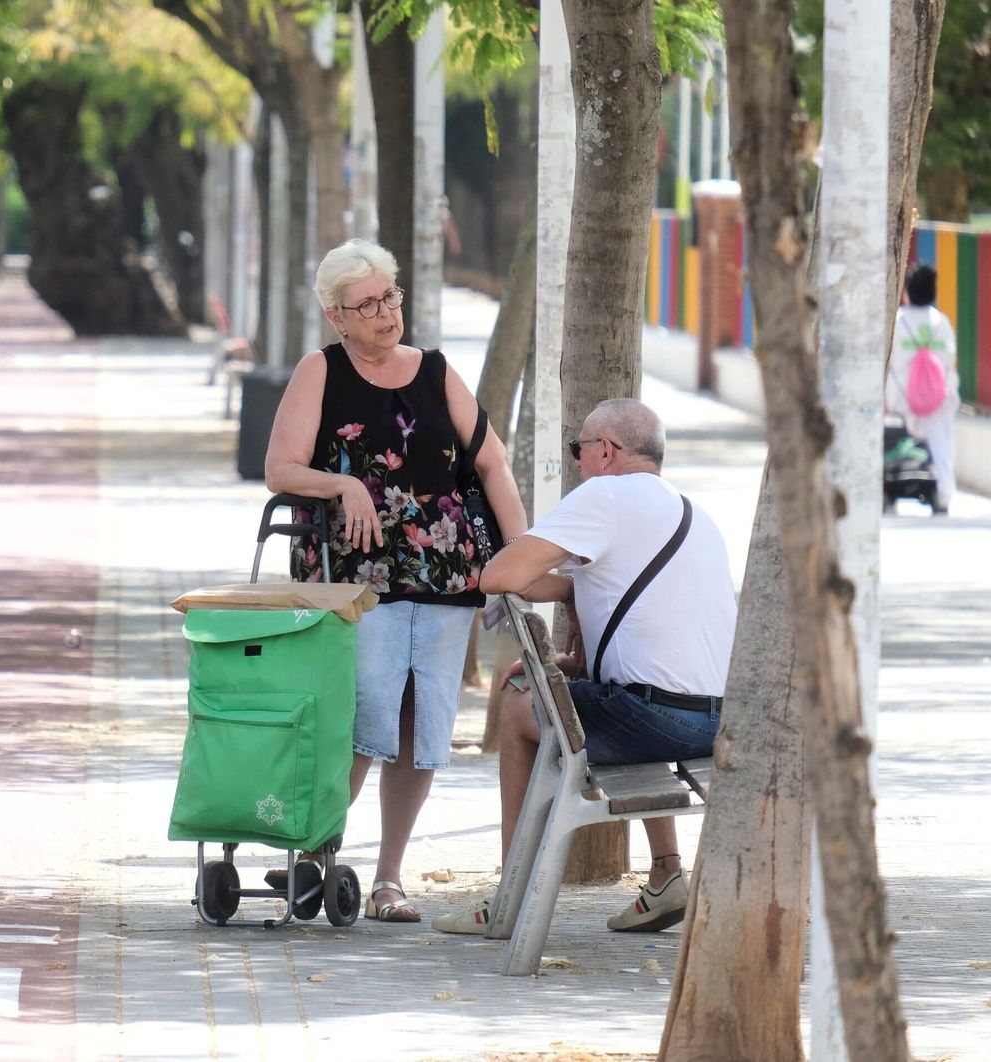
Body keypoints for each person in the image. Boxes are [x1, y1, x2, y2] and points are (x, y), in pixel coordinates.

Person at [264, 238, 527, 922]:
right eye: (368, 305)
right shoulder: (320, 372)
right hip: (357, 578)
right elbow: (281, 469)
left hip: (445, 575)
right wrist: (342, 482)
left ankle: (387, 877)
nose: (385, 314)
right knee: (362, 715)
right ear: (337, 316)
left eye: (391, 297)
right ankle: (315, 850)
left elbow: (492, 466)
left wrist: (520, 554)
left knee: (421, 725)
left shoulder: (436, 371)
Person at [434, 398, 735, 935]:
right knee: (611, 698)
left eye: (580, 450)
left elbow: (500, 575)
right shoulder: (690, 510)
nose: (577, 462)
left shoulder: (606, 494)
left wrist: (567, 589)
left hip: (661, 722)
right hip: (721, 724)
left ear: (607, 450)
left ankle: (511, 897)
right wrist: (578, 603)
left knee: (520, 707)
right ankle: (666, 873)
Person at [885, 262, 958, 514]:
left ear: (907, 292)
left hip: (900, 400)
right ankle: (944, 493)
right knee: (940, 444)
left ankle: (892, 483)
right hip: (936, 401)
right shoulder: (942, 323)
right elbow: (949, 363)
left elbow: (889, 361)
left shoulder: (897, 322)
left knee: (893, 440)